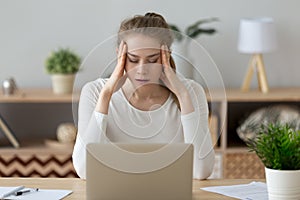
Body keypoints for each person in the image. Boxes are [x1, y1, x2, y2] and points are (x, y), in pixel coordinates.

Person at [72, 12, 215, 180]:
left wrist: (183, 95)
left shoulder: (191, 92)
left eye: (152, 60)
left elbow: (201, 171)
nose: (141, 69)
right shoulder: (95, 92)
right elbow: (84, 170)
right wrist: (106, 95)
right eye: (133, 59)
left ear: (166, 56)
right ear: (120, 55)